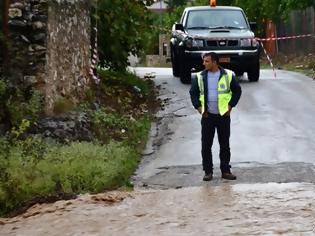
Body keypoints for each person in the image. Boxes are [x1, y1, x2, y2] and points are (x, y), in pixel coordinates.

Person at [189, 52, 242, 181]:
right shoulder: (200, 77)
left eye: (207, 61)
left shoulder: (228, 75)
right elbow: (193, 93)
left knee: (224, 144)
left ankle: (226, 170)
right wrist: (199, 108)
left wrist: (230, 106)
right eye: (204, 61)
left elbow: (237, 91)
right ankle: (208, 172)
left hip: (223, 116)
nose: (204, 63)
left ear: (214, 62)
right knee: (206, 145)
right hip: (207, 116)